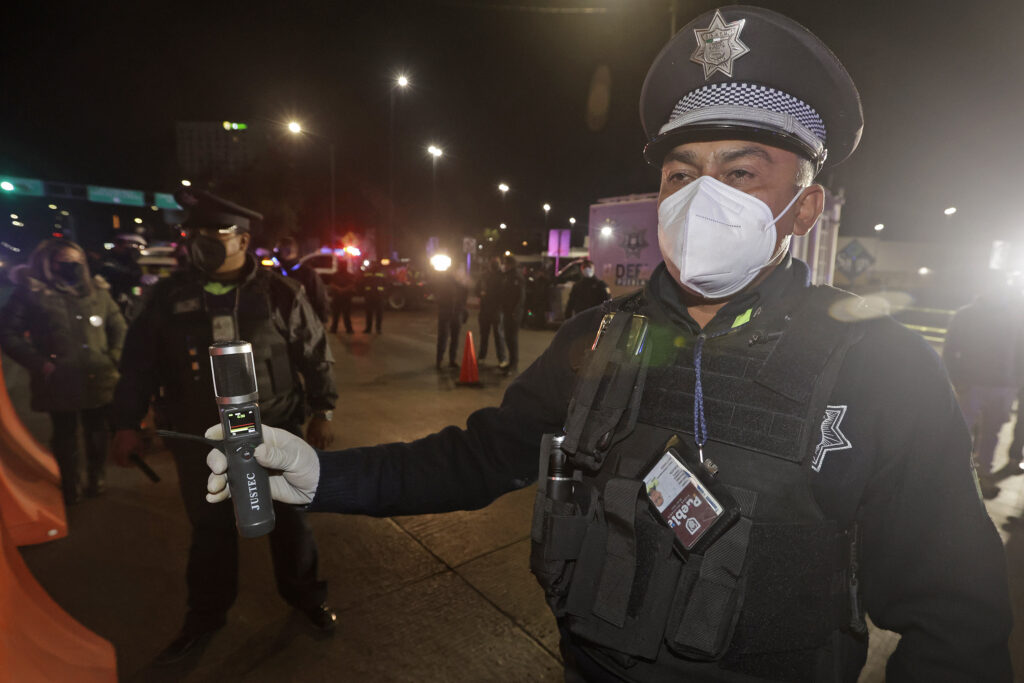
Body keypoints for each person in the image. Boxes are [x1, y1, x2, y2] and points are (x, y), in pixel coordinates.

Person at [206, 7, 1012, 681]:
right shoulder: (597, 337)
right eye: (680, 173)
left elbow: (957, 617)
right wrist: (321, 476)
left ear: (804, 208)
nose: (702, 197)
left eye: (741, 173)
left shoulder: (881, 365)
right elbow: (478, 458)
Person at [110, 189, 339, 664]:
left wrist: (323, 411)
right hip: (202, 440)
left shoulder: (279, 292)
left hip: (274, 432)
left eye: (217, 233)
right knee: (211, 532)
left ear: (244, 240)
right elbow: (138, 367)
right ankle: (205, 617)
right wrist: (126, 422)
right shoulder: (168, 298)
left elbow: (314, 354)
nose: (204, 242)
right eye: (196, 233)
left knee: (290, 523)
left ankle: (306, 599)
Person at [0, 239, 126, 504]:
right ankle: (71, 484)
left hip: (97, 375)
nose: (72, 267)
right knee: (65, 434)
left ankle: (96, 477)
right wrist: (39, 363)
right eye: (64, 262)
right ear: (48, 263)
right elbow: (8, 333)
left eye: (77, 262)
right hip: (58, 379)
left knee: (96, 431)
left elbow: (118, 327)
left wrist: (112, 357)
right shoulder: (31, 292)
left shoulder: (98, 291)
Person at [942, 286, 1024, 497]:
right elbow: (950, 349)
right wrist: (957, 380)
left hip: (1003, 387)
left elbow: (1020, 349)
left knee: (992, 434)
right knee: (960, 431)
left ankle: (982, 475)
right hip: (972, 385)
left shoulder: (1014, 315)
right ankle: (949, 474)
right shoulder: (966, 314)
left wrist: (1016, 381)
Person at [273, 236, 330, 323]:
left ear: (288, 251)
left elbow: (320, 302)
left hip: (302, 326)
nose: (276, 254)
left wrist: (320, 325)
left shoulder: (308, 274)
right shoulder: (275, 273)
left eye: (278, 250)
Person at [93, 232, 145, 319]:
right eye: (121, 244)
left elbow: (136, 275)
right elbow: (110, 273)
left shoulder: (130, 259)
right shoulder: (109, 260)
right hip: (114, 293)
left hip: (129, 292)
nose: (124, 247)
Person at [434, 265, 469, 370]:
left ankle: (452, 360)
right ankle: (439, 360)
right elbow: (438, 296)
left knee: (455, 338)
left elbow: (464, 299)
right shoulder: (444, 282)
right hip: (446, 312)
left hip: (456, 313)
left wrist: (463, 311)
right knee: (443, 338)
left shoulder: (461, 285)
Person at [476, 256, 507, 365]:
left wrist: (485, 294)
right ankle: (497, 358)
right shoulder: (486, 276)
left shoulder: (501, 276)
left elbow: (503, 293)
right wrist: (481, 293)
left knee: (496, 335)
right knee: (489, 335)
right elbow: (477, 290)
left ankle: (500, 358)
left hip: (495, 309)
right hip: (488, 309)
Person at [498, 254, 525, 374]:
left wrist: (515, 311)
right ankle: (510, 362)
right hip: (507, 312)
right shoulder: (507, 276)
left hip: (513, 313)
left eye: (506, 263)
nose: (504, 265)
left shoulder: (517, 277)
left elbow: (521, 297)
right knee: (508, 339)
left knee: (512, 339)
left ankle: (514, 365)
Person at [328, 264, 357, 334]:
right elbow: (332, 284)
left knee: (341, 314)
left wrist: (341, 290)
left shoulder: (337, 275)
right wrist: (342, 290)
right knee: (339, 314)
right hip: (342, 297)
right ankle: (346, 329)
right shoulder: (346, 275)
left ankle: (337, 329)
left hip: (341, 297)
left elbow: (352, 285)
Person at [361, 263, 386, 334]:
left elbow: (362, 283)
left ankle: (373, 329)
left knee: (374, 313)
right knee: (375, 314)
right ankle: (375, 329)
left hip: (372, 295)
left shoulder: (368, 273)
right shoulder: (381, 273)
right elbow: (386, 283)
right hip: (376, 296)